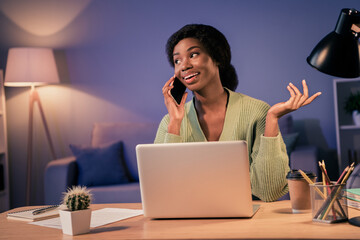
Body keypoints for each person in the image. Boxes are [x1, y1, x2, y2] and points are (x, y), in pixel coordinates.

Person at [154, 24, 321, 202]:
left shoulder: (257, 112)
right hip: (187, 221)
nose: (184, 66)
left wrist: (271, 119)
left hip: (246, 221)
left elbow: (269, 192)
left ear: (216, 57)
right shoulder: (169, 122)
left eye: (193, 54)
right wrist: (175, 123)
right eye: (177, 61)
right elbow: (160, 192)